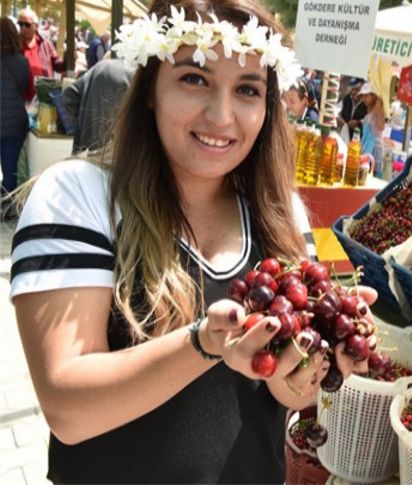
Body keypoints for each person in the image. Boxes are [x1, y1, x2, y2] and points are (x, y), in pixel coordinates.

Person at [10, 1, 375, 482]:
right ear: (149, 90)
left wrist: (315, 368)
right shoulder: (78, 196)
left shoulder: (280, 211)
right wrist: (203, 345)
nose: (221, 115)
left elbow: (284, 394)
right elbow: (68, 410)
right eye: (194, 78)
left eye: (247, 90)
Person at [62, 58, 135, 153]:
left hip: (84, 150)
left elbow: (69, 94)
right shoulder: (135, 74)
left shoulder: (100, 66)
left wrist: (83, 120)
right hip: (114, 154)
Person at [1, 17, 31, 207]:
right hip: (15, 124)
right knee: (10, 167)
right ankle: (8, 205)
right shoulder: (22, 62)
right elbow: (27, 91)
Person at [17, 8, 64, 101]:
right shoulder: (14, 45)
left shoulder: (45, 44)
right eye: (20, 24)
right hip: (21, 99)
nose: (23, 28)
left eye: (27, 24)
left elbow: (57, 65)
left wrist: (68, 59)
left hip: (44, 98)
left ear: (36, 26)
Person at [358, 82, 385, 171]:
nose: (363, 99)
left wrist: (379, 111)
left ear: (373, 96)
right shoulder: (368, 111)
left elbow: (381, 127)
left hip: (374, 150)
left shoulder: (377, 109)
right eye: (362, 96)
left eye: (366, 96)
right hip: (366, 149)